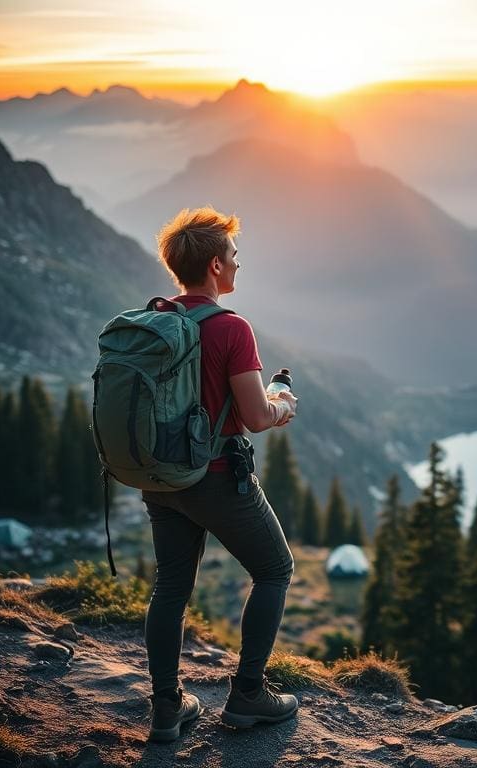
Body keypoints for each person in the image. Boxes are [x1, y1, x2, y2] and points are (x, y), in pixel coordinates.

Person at [142, 206, 300, 742]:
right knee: (275, 569)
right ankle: (249, 695)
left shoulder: (159, 322)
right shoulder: (232, 329)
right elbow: (254, 418)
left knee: (170, 585)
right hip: (213, 477)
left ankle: (167, 708)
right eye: (233, 256)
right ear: (214, 266)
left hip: (161, 476)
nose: (237, 265)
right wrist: (281, 403)